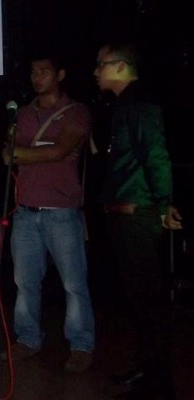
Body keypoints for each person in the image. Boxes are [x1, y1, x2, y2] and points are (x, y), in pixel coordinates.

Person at [94, 42, 182, 399]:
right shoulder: (123, 106)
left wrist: (164, 204)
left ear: (120, 66)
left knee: (148, 301)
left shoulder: (140, 105)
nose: (96, 71)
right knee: (138, 300)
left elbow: (156, 154)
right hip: (124, 211)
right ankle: (148, 370)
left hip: (137, 213)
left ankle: (159, 384)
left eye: (101, 64)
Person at [1, 53, 95, 372]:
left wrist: (24, 153)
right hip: (25, 211)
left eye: (44, 71)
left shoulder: (76, 111)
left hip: (63, 212)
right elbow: (7, 154)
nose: (37, 77)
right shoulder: (22, 113)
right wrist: (35, 153)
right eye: (33, 71)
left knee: (73, 283)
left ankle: (81, 344)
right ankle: (28, 338)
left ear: (60, 74)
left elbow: (60, 150)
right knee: (24, 282)